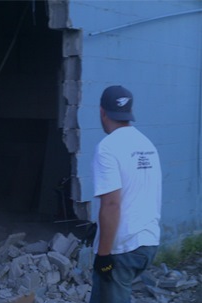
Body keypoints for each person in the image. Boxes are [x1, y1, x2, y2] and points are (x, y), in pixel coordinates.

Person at [90, 85, 162, 303]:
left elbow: (111, 205)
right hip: (148, 243)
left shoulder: (107, 148)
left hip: (122, 248)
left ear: (102, 112)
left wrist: (103, 256)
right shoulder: (146, 144)